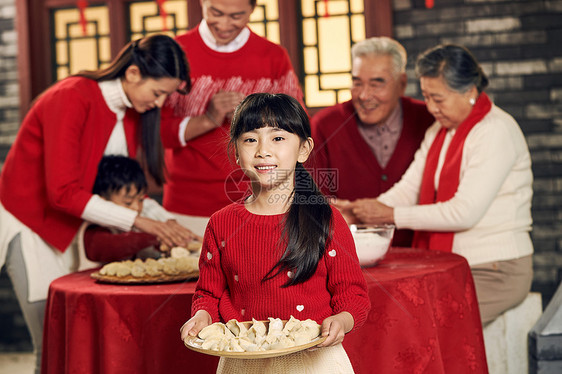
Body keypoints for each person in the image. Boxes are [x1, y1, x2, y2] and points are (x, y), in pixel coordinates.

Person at [0, 34, 196, 373]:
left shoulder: (131, 111)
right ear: (133, 73)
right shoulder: (71, 97)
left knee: (70, 342)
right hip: (30, 226)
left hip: (69, 230)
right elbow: (62, 192)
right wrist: (141, 223)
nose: (160, 103)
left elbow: (121, 191)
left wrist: (168, 225)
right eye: (158, 92)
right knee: (49, 345)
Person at [343, 44, 534, 325]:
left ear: (469, 92)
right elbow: (409, 189)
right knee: (393, 311)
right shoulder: (439, 132)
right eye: (427, 97)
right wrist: (362, 211)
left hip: (495, 270)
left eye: (438, 99)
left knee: (423, 324)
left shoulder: (495, 131)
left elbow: (463, 212)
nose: (431, 108)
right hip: (453, 264)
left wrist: (388, 215)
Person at [180, 93, 370, 373]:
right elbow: (208, 293)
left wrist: (342, 320)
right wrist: (201, 316)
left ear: (303, 149)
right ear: (235, 150)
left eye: (278, 138)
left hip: (315, 361)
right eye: (250, 139)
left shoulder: (326, 218)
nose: (262, 151)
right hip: (242, 360)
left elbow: (353, 294)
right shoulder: (221, 223)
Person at [160, 0, 304, 237]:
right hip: (188, 204)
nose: (225, 24)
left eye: (236, 16)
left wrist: (253, 111)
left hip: (262, 200)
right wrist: (209, 118)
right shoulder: (175, 53)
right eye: (216, 13)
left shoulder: (274, 56)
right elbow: (155, 135)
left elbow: (297, 130)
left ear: (252, 9)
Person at [310, 37, 434, 247]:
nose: (365, 95)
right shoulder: (324, 125)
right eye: (357, 83)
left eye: (377, 83)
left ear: (401, 84)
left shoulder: (429, 120)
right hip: (350, 255)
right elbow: (309, 198)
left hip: (422, 252)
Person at [77, 155, 202, 270]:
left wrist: (174, 238)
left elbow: (151, 210)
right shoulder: (95, 227)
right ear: (103, 202)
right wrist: (157, 237)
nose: (137, 207)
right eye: (128, 202)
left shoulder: (143, 214)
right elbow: (109, 248)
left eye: (141, 200)